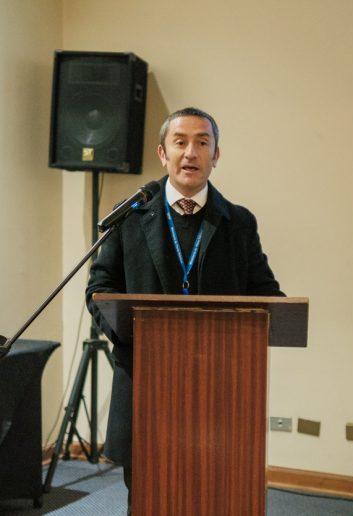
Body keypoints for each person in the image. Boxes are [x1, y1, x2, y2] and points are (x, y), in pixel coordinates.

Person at [85, 106, 285, 514]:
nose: (191, 152)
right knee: (149, 499)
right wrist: (132, 332)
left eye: (202, 143)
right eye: (180, 142)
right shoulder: (130, 217)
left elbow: (266, 294)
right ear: (163, 153)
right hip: (146, 382)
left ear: (216, 155)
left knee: (218, 498)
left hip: (221, 388)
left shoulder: (239, 223)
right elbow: (99, 288)